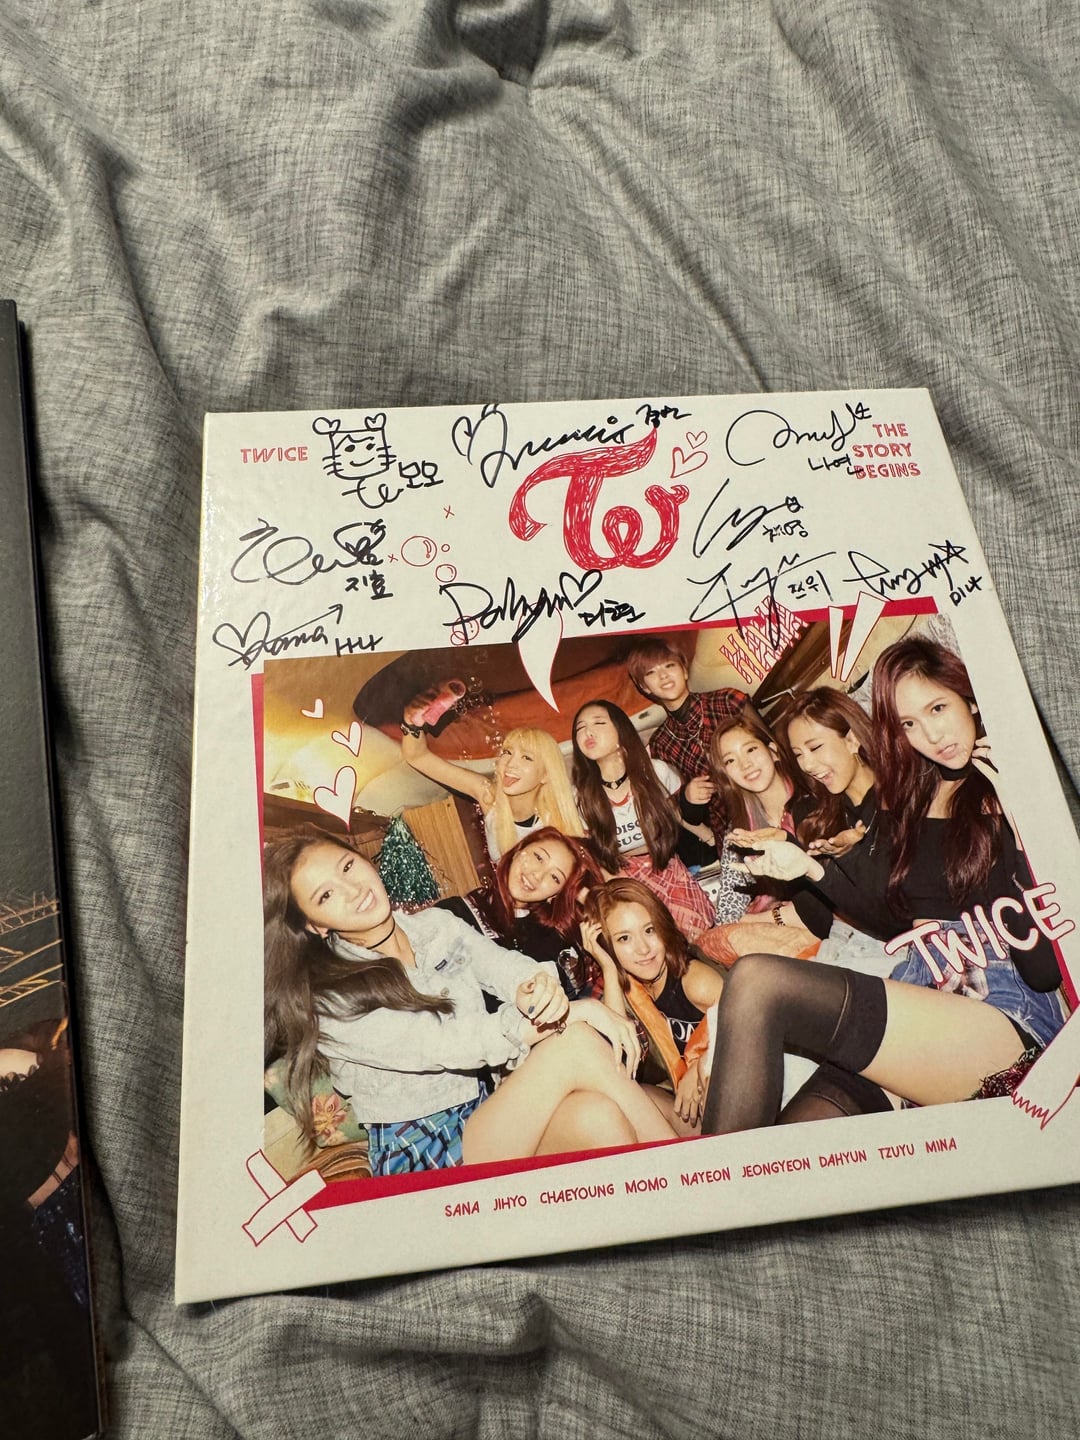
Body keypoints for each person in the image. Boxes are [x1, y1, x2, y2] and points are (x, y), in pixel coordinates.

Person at [701, 636, 1067, 1133]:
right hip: (918, 982)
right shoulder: (913, 799)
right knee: (795, 1136)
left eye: (937, 708)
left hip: (998, 1002)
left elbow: (1043, 969)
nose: (931, 735)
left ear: (971, 699)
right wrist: (809, 869)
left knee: (756, 982)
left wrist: (1019, 819)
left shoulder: (1003, 792)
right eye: (909, 723)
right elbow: (893, 922)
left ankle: (714, 1179)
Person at [263, 828, 675, 1174]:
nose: (353, 889)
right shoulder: (330, 999)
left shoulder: (437, 926)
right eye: (325, 896)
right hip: (425, 1150)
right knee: (577, 1041)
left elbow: (503, 966)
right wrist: (573, 1012)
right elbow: (453, 1041)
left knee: (599, 1118)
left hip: (484, 1114)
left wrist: (534, 988)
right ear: (315, 926)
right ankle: (684, 1175)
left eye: (347, 866)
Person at [581, 878, 726, 1131]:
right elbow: (617, 1062)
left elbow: (751, 1027)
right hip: (689, 1106)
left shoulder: (695, 980)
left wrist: (702, 1064)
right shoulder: (631, 989)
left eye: (649, 930)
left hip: (731, 1098)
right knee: (615, 1100)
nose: (643, 949)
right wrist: (609, 968)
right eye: (624, 938)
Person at [571, 699, 714, 939]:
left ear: (621, 730)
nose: (588, 732)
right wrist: (615, 889)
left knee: (699, 936)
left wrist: (709, 837)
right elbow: (589, 852)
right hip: (625, 878)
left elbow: (675, 813)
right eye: (580, 728)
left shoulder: (656, 771)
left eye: (598, 723)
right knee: (656, 942)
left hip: (666, 866)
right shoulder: (579, 796)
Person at [437, 826, 623, 1008]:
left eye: (555, 878)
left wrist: (583, 896)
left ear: (555, 895)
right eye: (538, 857)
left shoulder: (553, 944)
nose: (537, 875)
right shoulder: (454, 913)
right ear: (519, 850)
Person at [399, 680, 584, 861]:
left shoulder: (567, 807)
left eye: (526, 757)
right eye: (507, 752)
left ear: (546, 774)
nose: (510, 764)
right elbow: (418, 757)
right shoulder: (489, 796)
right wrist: (411, 724)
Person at [691, 712, 819, 963]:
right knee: (711, 943)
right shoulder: (740, 830)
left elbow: (831, 894)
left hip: (826, 920)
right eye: (730, 760)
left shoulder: (813, 802)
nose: (745, 764)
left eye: (750, 749)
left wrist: (763, 918)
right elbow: (728, 910)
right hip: (777, 929)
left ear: (773, 751)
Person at [626, 639, 748, 837]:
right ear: (644, 687)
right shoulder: (660, 744)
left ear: (684, 670)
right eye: (651, 672)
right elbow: (690, 818)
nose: (663, 675)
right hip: (730, 834)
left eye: (669, 665)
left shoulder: (728, 701)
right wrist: (688, 798)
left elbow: (775, 752)